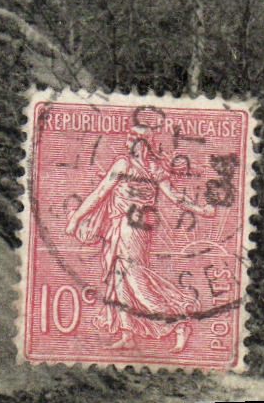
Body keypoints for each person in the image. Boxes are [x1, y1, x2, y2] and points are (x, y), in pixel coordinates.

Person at [62, 113, 217, 351]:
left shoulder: (149, 167)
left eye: (132, 139)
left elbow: (175, 197)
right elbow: (100, 193)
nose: (128, 142)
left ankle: (178, 321)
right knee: (119, 279)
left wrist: (201, 210)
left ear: (142, 143)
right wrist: (76, 218)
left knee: (134, 278)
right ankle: (128, 334)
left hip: (135, 229)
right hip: (122, 227)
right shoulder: (125, 164)